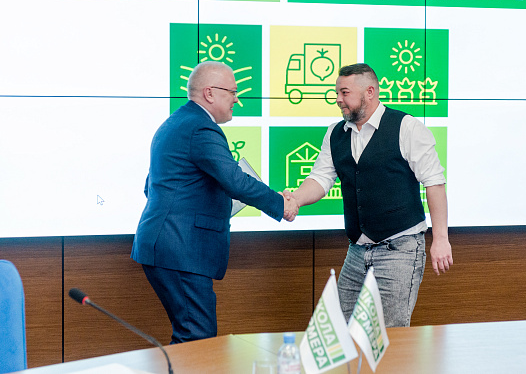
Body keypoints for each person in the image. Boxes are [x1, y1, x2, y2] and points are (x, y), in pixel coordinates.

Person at [131, 61, 298, 343]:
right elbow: (235, 180)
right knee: (197, 337)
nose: (237, 99)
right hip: (180, 250)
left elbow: (153, 187)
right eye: (232, 92)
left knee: (193, 336)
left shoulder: (176, 123)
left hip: (169, 246)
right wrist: (281, 204)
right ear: (209, 93)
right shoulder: (200, 128)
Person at [287, 63, 452, 327]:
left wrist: (441, 239)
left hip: (400, 249)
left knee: (390, 335)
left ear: (370, 92)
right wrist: (295, 199)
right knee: (338, 331)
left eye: (344, 93)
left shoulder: (407, 127)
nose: (338, 99)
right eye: (337, 93)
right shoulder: (335, 133)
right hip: (356, 251)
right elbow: (320, 178)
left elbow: (434, 183)